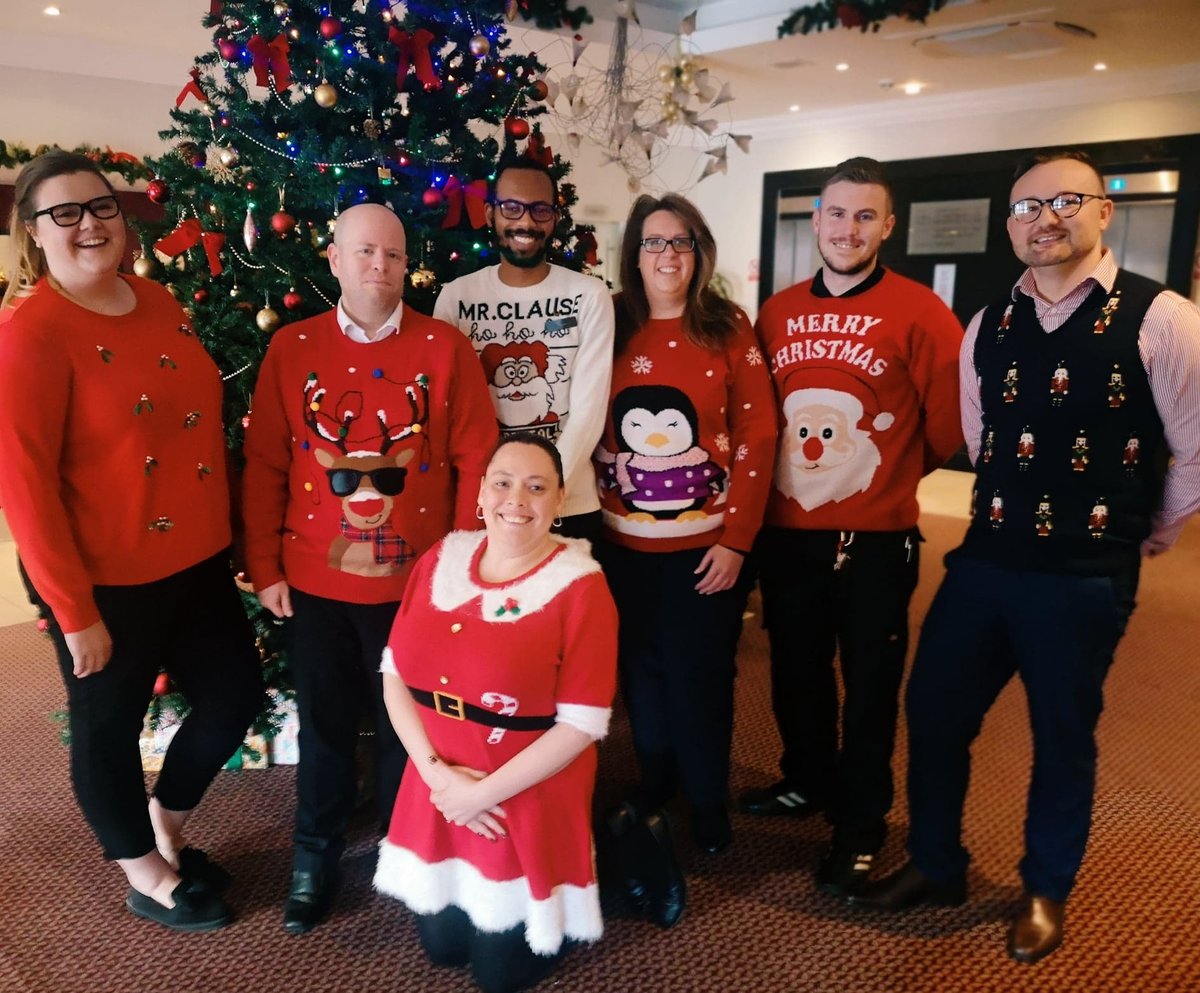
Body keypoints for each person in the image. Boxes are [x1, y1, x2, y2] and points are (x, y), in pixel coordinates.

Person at [852, 150, 1200, 964]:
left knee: (1062, 734)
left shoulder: (1163, 318)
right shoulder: (988, 322)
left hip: (1085, 576)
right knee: (935, 713)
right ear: (1009, 225)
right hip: (985, 557)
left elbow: (1193, 451)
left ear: (1103, 211)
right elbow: (981, 436)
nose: (1044, 218)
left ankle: (1046, 887)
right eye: (1025, 207)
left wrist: (1149, 532)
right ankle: (938, 865)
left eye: (1064, 201)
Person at [0, 150, 262, 930]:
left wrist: (237, 534)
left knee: (233, 696)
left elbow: (199, 430)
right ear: (34, 233)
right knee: (108, 727)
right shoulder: (30, 336)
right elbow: (25, 487)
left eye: (101, 206)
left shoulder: (155, 300)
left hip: (197, 556)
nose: (89, 224)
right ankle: (145, 873)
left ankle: (165, 825)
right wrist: (72, 609)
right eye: (65, 213)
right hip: (105, 575)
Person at [242, 201, 498, 935]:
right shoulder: (290, 348)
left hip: (417, 590)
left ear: (405, 260)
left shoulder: (446, 348)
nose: (378, 267)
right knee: (324, 727)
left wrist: (459, 565)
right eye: (364, 253)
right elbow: (263, 465)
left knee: (408, 732)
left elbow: (476, 457)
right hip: (314, 587)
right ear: (334, 258)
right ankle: (313, 857)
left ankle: (404, 852)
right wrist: (264, 565)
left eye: (391, 254)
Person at [744, 157, 963, 896]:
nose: (848, 229)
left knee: (869, 684)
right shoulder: (775, 312)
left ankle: (862, 821)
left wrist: (880, 476)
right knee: (795, 670)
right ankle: (805, 778)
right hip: (789, 531)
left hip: (875, 536)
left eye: (865, 216)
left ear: (888, 226)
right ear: (817, 219)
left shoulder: (922, 310)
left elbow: (946, 429)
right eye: (837, 214)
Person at [373, 435, 617, 993]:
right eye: (503, 482)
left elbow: (582, 723)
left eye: (537, 487)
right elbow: (394, 675)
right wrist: (440, 780)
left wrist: (481, 795)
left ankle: (625, 853)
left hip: (522, 792)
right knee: (443, 951)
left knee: (499, 978)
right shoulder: (442, 558)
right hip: (438, 783)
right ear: (481, 492)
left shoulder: (581, 588)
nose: (517, 499)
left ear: (559, 503)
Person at [593, 193, 777, 854]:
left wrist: (737, 539)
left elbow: (758, 431)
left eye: (680, 242)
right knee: (641, 671)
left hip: (708, 548)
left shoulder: (725, 324)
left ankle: (705, 799)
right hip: (621, 546)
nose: (666, 254)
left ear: (699, 253)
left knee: (700, 673)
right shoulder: (608, 321)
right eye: (653, 241)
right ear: (633, 253)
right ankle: (656, 780)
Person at [434, 154, 615, 543]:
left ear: (555, 217)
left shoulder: (588, 295)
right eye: (512, 208)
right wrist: (502, 495)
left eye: (540, 210)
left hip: (570, 504)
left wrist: (542, 492)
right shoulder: (455, 298)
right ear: (490, 214)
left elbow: (589, 412)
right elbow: (450, 412)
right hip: (487, 505)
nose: (527, 222)